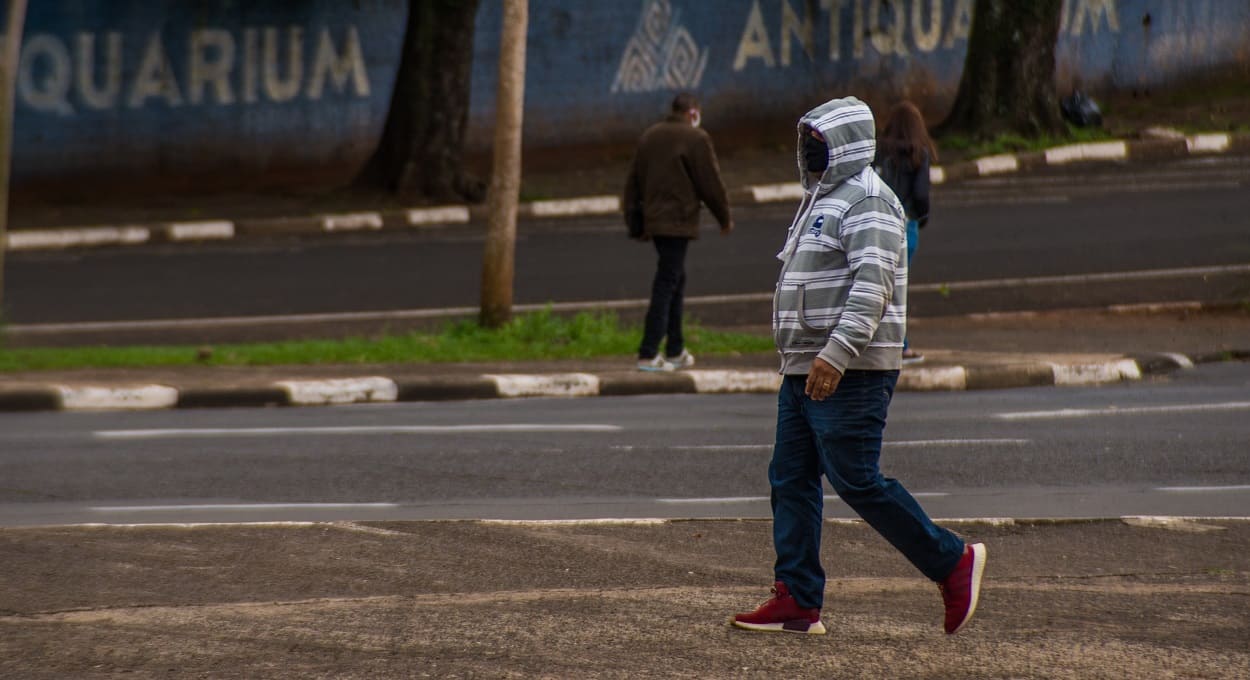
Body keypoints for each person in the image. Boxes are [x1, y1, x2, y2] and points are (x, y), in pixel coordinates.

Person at [731, 96, 985, 636]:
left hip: (848, 368)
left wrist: (836, 355)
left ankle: (952, 561)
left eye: (817, 144)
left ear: (845, 145)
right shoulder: (821, 198)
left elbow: (873, 287)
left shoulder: (870, 201)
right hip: (804, 365)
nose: (808, 153)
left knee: (857, 480)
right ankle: (797, 598)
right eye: (806, 144)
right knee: (790, 478)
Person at [623, 93, 733, 372]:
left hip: (655, 222)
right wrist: (724, 217)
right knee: (667, 281)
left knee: (675, 279)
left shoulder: (650, 135)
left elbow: (632, 182)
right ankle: (648, 352)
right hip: (678, 221)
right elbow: (710, 183)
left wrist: (633, 221)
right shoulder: (696, 139)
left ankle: (675, 349)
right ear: (693, 113)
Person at [873, 100, 937, 365]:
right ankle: (900, 345)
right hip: (905, 224)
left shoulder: (877, 152)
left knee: (873, 283)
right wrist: (921, 218)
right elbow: (921, 195)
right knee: (897, 289)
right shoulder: (918, 153)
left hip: (876, 223)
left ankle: (869, 340)